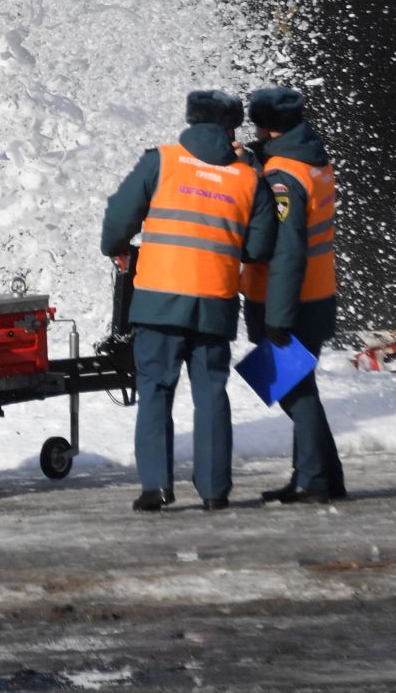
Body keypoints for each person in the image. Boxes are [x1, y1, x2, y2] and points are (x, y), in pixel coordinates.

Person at [101, 90, 277, 512]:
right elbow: (261, 246)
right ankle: (215, 491)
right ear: (231, 128)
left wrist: (118, 246)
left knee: (156, 389)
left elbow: (116, 221)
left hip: (159, 301)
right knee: (212, 394)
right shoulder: (248, 178)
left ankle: (157, 487)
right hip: (214, 303)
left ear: (191, 121)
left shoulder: (161, 160)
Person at [241, 84, 346, 505]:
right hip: (319, 292)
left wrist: (278, 318)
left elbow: (286, 252)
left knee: (293, 389)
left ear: (265, 126)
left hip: (289, 300)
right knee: (301, 387)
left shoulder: (282, 176)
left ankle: (316, 480)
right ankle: (320, 477)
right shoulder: (312, 158)